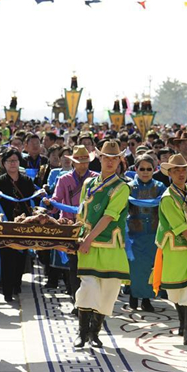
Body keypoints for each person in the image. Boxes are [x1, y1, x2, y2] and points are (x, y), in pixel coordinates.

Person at [74, 140, 130, 348]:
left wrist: (88, 239)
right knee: (88, 288)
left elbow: (108, 216)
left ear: (119, 160)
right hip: (88, 244)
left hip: (111, 245)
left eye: (115, 158)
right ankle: (82, 332)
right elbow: (81, 213)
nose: (110, 161)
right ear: (99, 158)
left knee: (109, 291)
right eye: (106, 157)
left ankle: (94, 332)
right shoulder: (89, 183)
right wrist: (78, 237)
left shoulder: (122, 187)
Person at [154, 154, 187, 346]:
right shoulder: (167, 198)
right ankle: (183, 322)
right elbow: (181, 228)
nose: (181, 174)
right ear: (170, 173)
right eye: (176, 170)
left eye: (183, 170)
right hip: (174, 248)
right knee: (176, 290)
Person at [44, 146, 98, 308]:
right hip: (69, 227)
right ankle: (77, 302)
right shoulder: (64, 179)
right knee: (73, 267)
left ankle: (90, 302)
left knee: (89, 267)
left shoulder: (96, 179)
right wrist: (49, 204)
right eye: (79, 162)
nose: (83, 165)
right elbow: (56, 200)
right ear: (73, 163)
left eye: (85, 162)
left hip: (90, 227)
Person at [0, 148, 36, 303]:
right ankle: (7, 291)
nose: (13, 163)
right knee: (7, 257)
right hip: (7, 223)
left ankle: (17, 284)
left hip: (24, 223)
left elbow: (32, 200)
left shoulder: (26, 180)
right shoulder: (0, 180)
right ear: (4, 163)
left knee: (21, 255)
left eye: (15, 161)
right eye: (9, 161)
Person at [127, 154, 165, 312]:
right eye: (141, 169)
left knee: (150, 267)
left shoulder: (160, 187)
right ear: (136, 169)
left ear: (154, 170)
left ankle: (147, 299)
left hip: (153, 234)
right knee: (135, 267)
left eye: (149, 169)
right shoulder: (128, 187)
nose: (145, 172)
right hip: (134, 234)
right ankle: (133, 295)